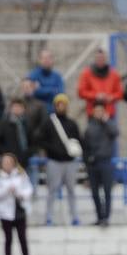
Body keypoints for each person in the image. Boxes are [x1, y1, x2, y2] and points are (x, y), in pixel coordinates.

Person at [35, 94, 80, 226]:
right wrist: (51, 149)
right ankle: (49, 217)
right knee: (52, 190)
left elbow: (78, 140)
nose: (61, 107)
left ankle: (75, 216)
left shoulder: (72, 124)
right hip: (54, 161)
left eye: (64, 104)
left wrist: (74, 151)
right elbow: (39, 138)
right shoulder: (49, 123)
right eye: (59, 104)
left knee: (71, 189)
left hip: (70, 161)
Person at [0, 152, 33, 255]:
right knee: (8, 240)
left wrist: (20, 193)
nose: (7, 165)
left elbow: (29, 190)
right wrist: (7, 190)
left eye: (9, 162)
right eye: (5, 162)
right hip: (5, 213)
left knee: (23, 239)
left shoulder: (21, 174)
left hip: (19, 210)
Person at [82, 101, 117, 226]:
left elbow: (115, 133)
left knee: (107, 191)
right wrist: (87, 161)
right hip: (93, 163)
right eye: (96, 111)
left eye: (101, 111)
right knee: (95, 192)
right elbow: (85, 146)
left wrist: (106, 121)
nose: (98, 113)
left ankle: (106, 217)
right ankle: (99, 216)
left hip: (105, 161)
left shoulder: (109, 125)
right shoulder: (89, 127)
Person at [77, 48, 123, 118]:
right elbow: (81, 92)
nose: (100, 60)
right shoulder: (86, 74)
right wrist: (95, 96)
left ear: (106, 58)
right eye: (98, 58)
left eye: (102, 58)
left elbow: (120, 93)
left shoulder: (114, 74)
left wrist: (112, 97)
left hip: (109, 113)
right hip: (93, 113)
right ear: (95, 59)